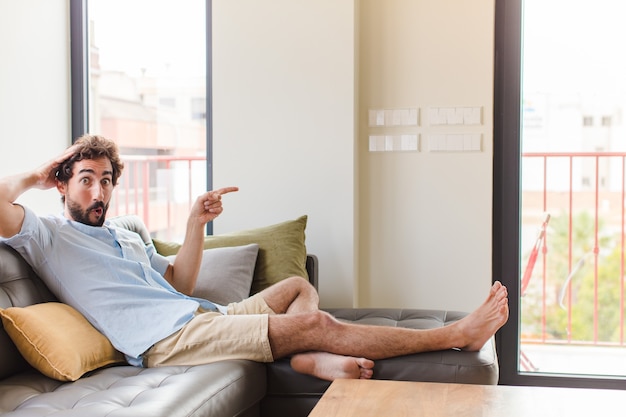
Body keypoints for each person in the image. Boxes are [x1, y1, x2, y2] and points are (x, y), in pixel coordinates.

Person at [0, 134, 509, 381]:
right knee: (320, 321)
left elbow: (179, 280)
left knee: (294, 287)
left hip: (199, 316)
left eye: (106, 180)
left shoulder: (124, 237)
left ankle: (308, 358)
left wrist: (196, 225)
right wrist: (37, 174)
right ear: (63, 185)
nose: (98, 191)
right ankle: (455, 335)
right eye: (85, 179)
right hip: (165, 341)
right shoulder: (46, 236)